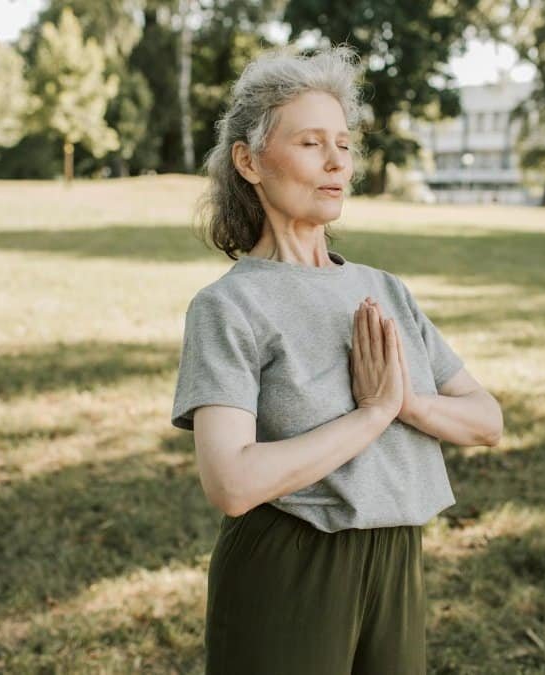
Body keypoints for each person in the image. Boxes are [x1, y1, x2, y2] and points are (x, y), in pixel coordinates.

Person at [170, 44, 503, 675]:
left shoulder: (385, 289)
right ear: (249, 161)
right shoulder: (229, 306)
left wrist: (407, 401)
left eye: (344, 145)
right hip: (290, 565)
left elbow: (487, 421)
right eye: (310, 143)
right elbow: (231, 484)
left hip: (397, 558)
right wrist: (373, 416)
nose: (336, 163)